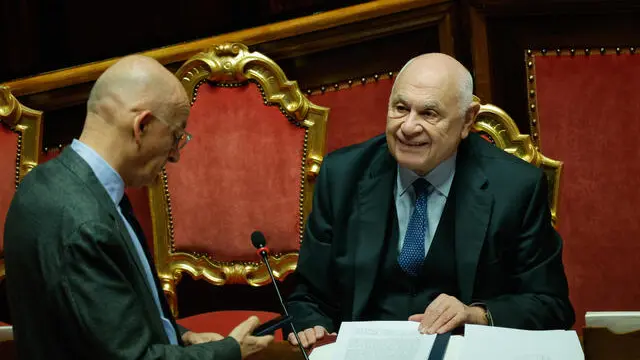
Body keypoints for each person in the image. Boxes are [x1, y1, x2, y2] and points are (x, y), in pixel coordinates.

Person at [286, 53, 575, 348]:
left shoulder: (514, 187)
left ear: (468, 120)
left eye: (429, 114)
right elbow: (308, 296)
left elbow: (551, 306)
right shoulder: (342, 176)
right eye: (401, 108)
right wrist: (310, 325)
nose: (408, 127)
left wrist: (476, 315)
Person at [4, 55, 273, 359]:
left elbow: (104, 328)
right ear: (142, 125)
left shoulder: (41, 184)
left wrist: (181, 337)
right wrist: (229, 351)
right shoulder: (85, 225)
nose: (175, 156)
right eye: (176, 137)